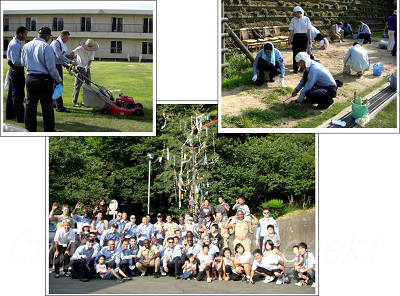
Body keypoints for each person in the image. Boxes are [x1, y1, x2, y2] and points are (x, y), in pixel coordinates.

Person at [21, 26, 62, 132]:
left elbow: (23, 62)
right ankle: (49, 130)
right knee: (47, 107)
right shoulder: (46, 47)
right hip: (44, 79)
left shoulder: (26, 45)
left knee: (30, 106)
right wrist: (58, 79)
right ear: (47, 36)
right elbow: (51, 68)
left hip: (30, 77)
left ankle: (30, 130)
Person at [6, 26, 28, 123]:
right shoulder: (15, 44)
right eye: (25, 34)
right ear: (20, 34)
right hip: (16, 71)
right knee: (18, 95)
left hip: (15, 70)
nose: (26, 36)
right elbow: (16, 61)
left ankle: (10, 115)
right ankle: (20, 117)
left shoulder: (16, 43)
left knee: (13, 94)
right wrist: (27, 62)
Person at [50, 30, 75, 113]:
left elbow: (59, 59)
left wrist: (67, 66)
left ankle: (54, 104)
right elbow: (59, 56)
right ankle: (59, 107)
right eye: (66, 37)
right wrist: (70, 62)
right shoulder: (56, 43)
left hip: (57, 66)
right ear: (61, 36)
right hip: (54, 67)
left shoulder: (61, 44)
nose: (67, 39)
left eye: (68, 37)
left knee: (55, 86)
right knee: (59, 86)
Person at [71, 39, 99, 106]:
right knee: (78, 85)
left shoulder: (92, 50)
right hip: (79, 68)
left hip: (87, 69)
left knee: (88, 85)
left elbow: (90, 60)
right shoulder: (80, 48)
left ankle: (86, 102)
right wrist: (75, 60)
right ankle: (74, 102)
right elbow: (72, 53)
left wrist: (86, 67)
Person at [287, 6, 312, 73]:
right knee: (295, 53)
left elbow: (308, 30)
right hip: (296, 37)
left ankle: (302, 67)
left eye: (295, 13)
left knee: (303, 53)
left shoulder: (306, 19)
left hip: (304, 37)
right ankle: (295, 68)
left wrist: (310, 39)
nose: (294, 14)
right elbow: (291, 30)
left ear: (299, 12)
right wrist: (289, 39)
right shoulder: (293, 20)